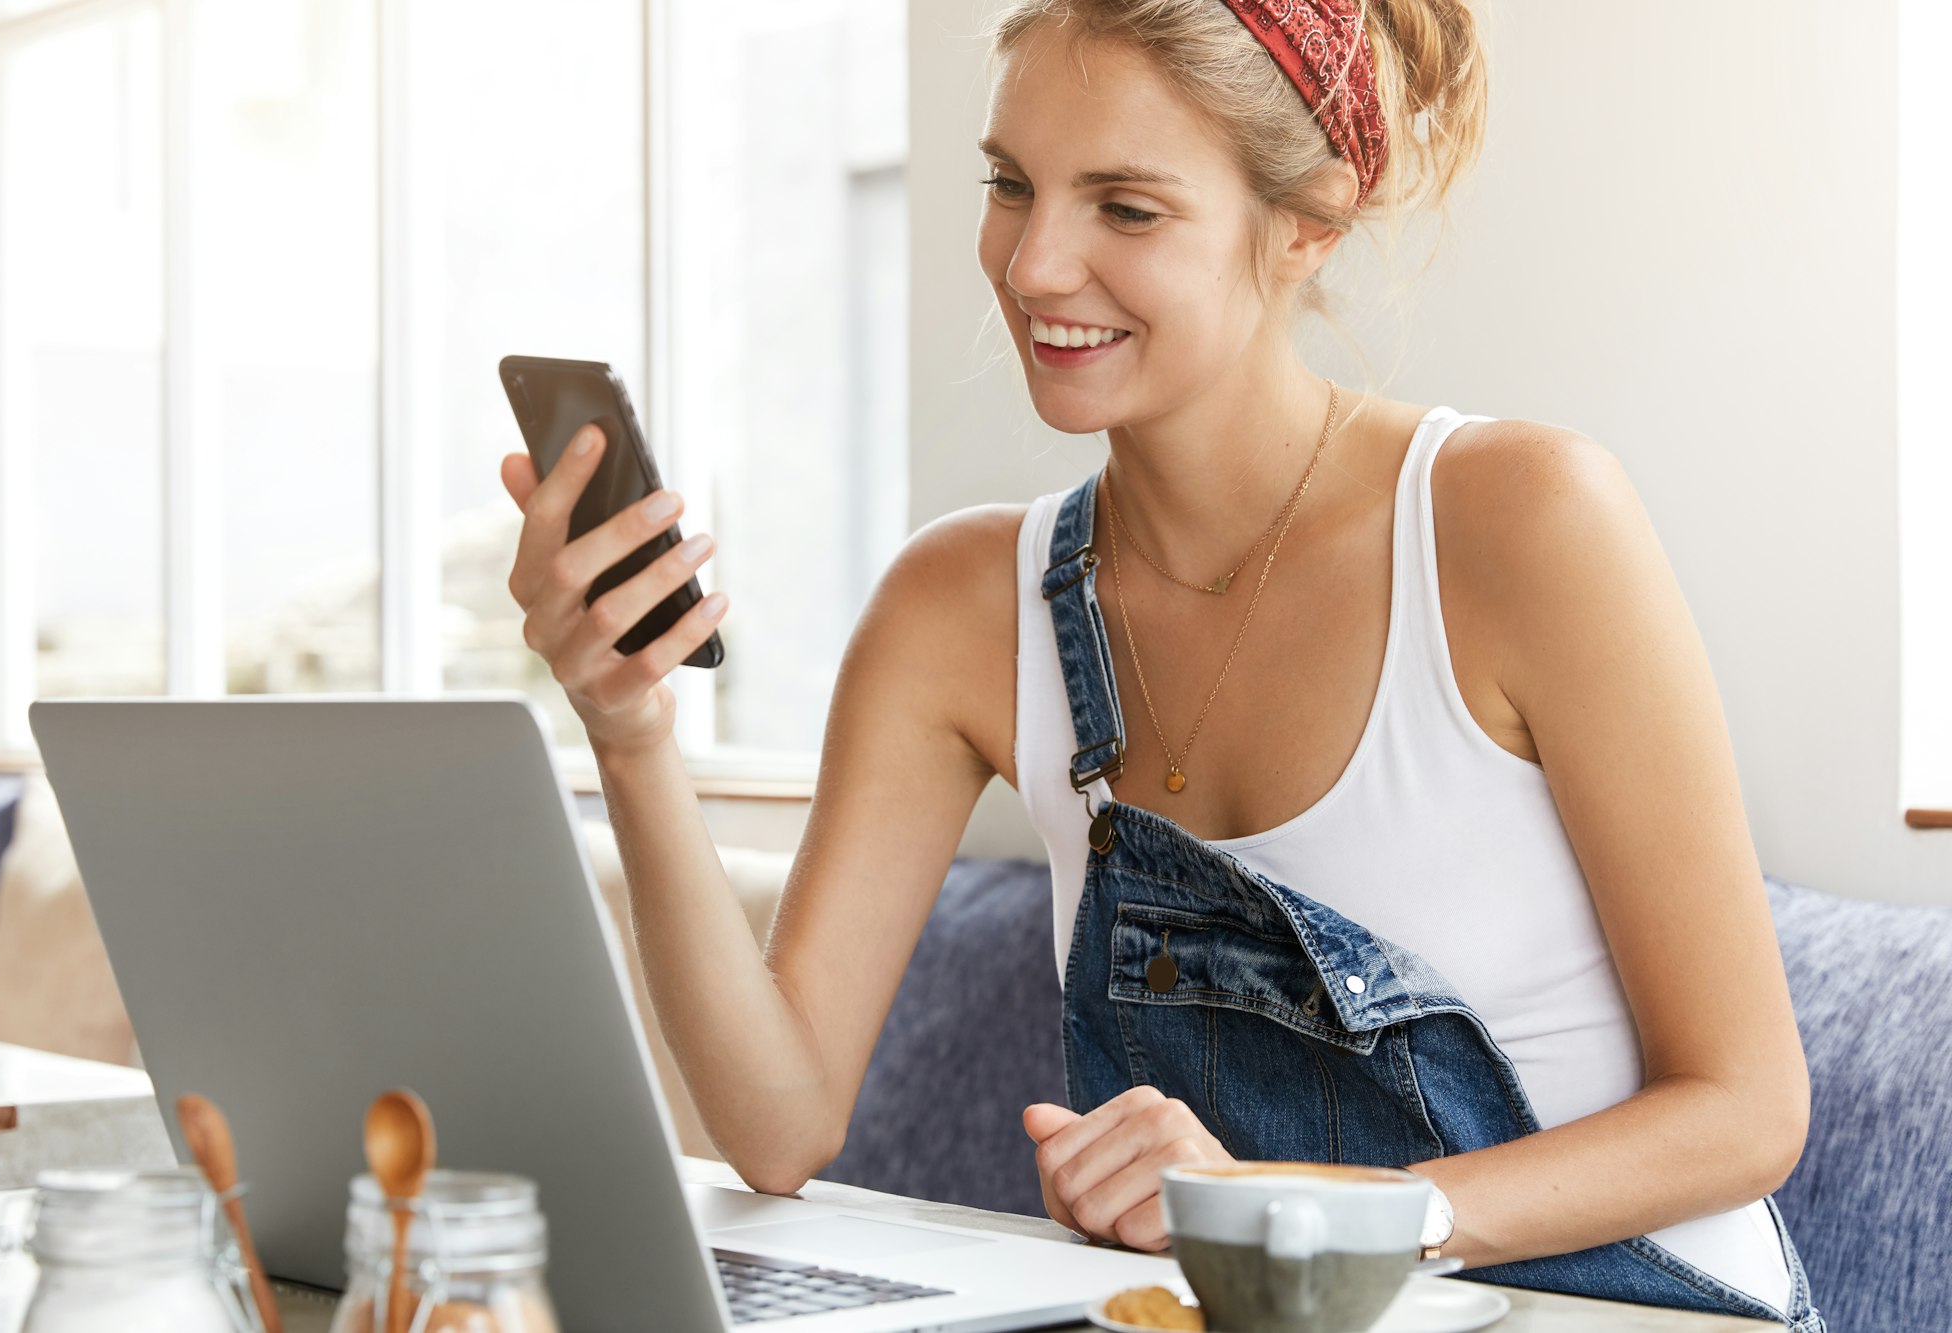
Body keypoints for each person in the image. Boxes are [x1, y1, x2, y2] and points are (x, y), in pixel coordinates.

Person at [500, 2, 1823, 1328]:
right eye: (1011, 185)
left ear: (1309, 221)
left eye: (1125, 208)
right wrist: (630, 731)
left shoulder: (1520, 521)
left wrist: (1313, 1214)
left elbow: (1746, 1108)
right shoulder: (956, 609)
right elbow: (776, 1125)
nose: (1033, 265)